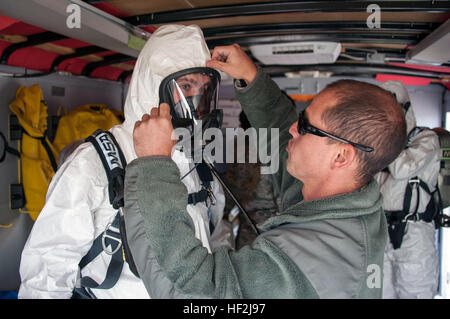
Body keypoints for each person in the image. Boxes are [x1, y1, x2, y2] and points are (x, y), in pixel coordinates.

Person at [123, 44, 407, 298]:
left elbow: (188, 293)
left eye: (307, 128)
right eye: (301, 119)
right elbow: (284, 132)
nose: (295, 128)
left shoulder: (308, 265)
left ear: (342, 155)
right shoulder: (347, 204)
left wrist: (154, 164)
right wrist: (252, 78)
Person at [18, 24, 229, 299]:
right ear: (153, 85)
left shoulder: (199, 165)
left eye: (204, 88)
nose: (195, 100)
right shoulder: (96, 163)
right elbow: (47, 269)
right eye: (186, 86)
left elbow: (216, 234)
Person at [375, 81, 440, 299]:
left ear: (404, 109)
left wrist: (385, 140)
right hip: (382, 233)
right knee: (379, 292)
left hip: (415, 234)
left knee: (416, 291)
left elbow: (403, 168)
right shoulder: (378, 145)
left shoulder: (426, 138)